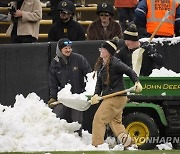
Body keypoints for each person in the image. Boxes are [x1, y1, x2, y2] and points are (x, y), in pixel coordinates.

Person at [90, 40, 142, 147]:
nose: (101, 51)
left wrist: (137, 82)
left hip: (116, 97)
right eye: (101, 49)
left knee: (99, 120)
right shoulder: (102, 64)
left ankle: (97, 145)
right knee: (115, 122)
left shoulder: (115, 63)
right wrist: (96, 94)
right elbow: (99, 83)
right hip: (113, 97)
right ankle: (129, 143)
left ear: (109, 51)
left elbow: (130, 71)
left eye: (103, 49)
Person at [48, 38, 92, 136]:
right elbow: (53, 83)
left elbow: (90, 75)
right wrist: (53, 97)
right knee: (55, 115)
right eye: (65, 48)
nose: (68, 50)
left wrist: (88, 91)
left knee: (77, 121)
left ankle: (77, 137)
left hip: (77, 97)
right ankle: (53, 136)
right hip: (63, 98)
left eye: (70, 48)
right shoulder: (54, 63)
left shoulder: (79, 59)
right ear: (60, 50)